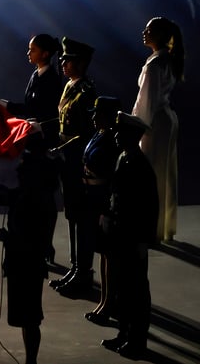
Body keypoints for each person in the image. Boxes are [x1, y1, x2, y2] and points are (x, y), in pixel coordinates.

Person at [0, 33, 62, 264]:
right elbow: (29, 107)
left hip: (44, 146)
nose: (28, 53)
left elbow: (53, 115)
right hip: (32, 144)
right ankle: (39, 243)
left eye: (32, 49)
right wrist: (3, 104)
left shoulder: (52, 79)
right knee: (33, 196)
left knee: (45, 198)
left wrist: (40, 127)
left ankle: (47, 246)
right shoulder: (36, 75)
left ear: (45, 53)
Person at [101, 112, 158, 359]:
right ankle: (124, 334)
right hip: (119, 233)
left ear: (132, 136)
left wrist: (144, 241)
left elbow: (149, 207)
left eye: (120, 132)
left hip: (133, 237)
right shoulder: (123, 158)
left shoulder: (140, 166)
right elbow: (115, 191)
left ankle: (137, 341)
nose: (115, 135)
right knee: (123, 289)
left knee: (136, 291)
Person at [0, 150, 54, 364]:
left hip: (28, 265)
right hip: (22, 264)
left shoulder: (38, 199)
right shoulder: (28, 193)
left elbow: (34, 240)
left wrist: (8, 239)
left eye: (23, 167)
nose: (18, 170)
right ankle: (30, 360)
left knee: (31, 318)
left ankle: (31, 360)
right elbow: (6, 195)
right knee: (27, 318)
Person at [50, 37, 97, 295]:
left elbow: (87, 132)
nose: (63, 63)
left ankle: (84, 272)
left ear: (80, 63)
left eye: (68, 60)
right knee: (71, 215)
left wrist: (60, 148)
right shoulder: (70, 86)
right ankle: (76, 266)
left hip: (79, 163)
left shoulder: (87, 91)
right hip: (67, 163)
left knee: (83, 218)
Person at [131, 16, 185, 242]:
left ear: (161, 35)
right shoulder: (166, 59)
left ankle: (151, 227)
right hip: (166, 119)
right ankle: (163, 227)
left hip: (155, 121)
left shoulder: (155, 63)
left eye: (150, 30)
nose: (144, 32)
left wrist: (135, 126)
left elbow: (147, 102)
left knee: (151, 175)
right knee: (165, 174)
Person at [81, 96, 122, 326]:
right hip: (94, 200)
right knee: (104, 256)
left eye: (98, 114)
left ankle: (109, 303)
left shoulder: (112, 142)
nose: (94, 117)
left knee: (110, 256)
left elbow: (110, 177)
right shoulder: (99, 135)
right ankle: (105, 301)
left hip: (104, 202)